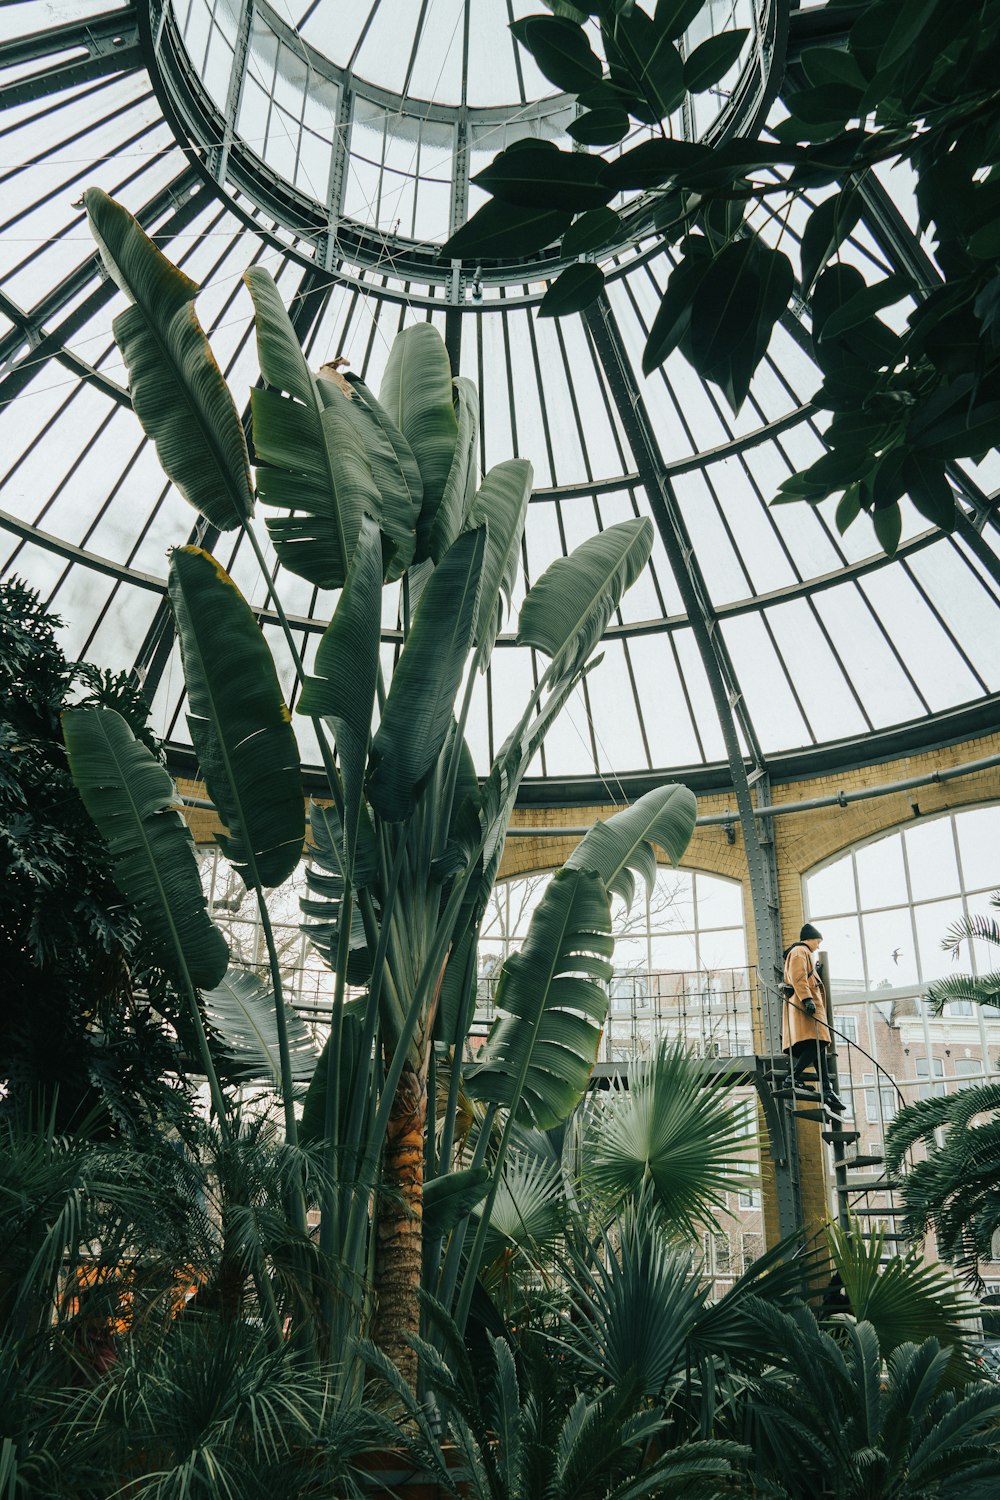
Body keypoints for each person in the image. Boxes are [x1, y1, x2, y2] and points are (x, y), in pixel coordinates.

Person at [782, 923, 845, 1113]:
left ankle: (826, 1088)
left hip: (806, 1006)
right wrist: (808, 999)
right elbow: (798, 976)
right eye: (818, 941)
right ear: (809, 939)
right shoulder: (801, 951)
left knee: (819, 1046)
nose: (818, 945)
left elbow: (804, 976)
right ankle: (793, 1077)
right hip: (807, 1007)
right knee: (818, 1043)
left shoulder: (802, 953)